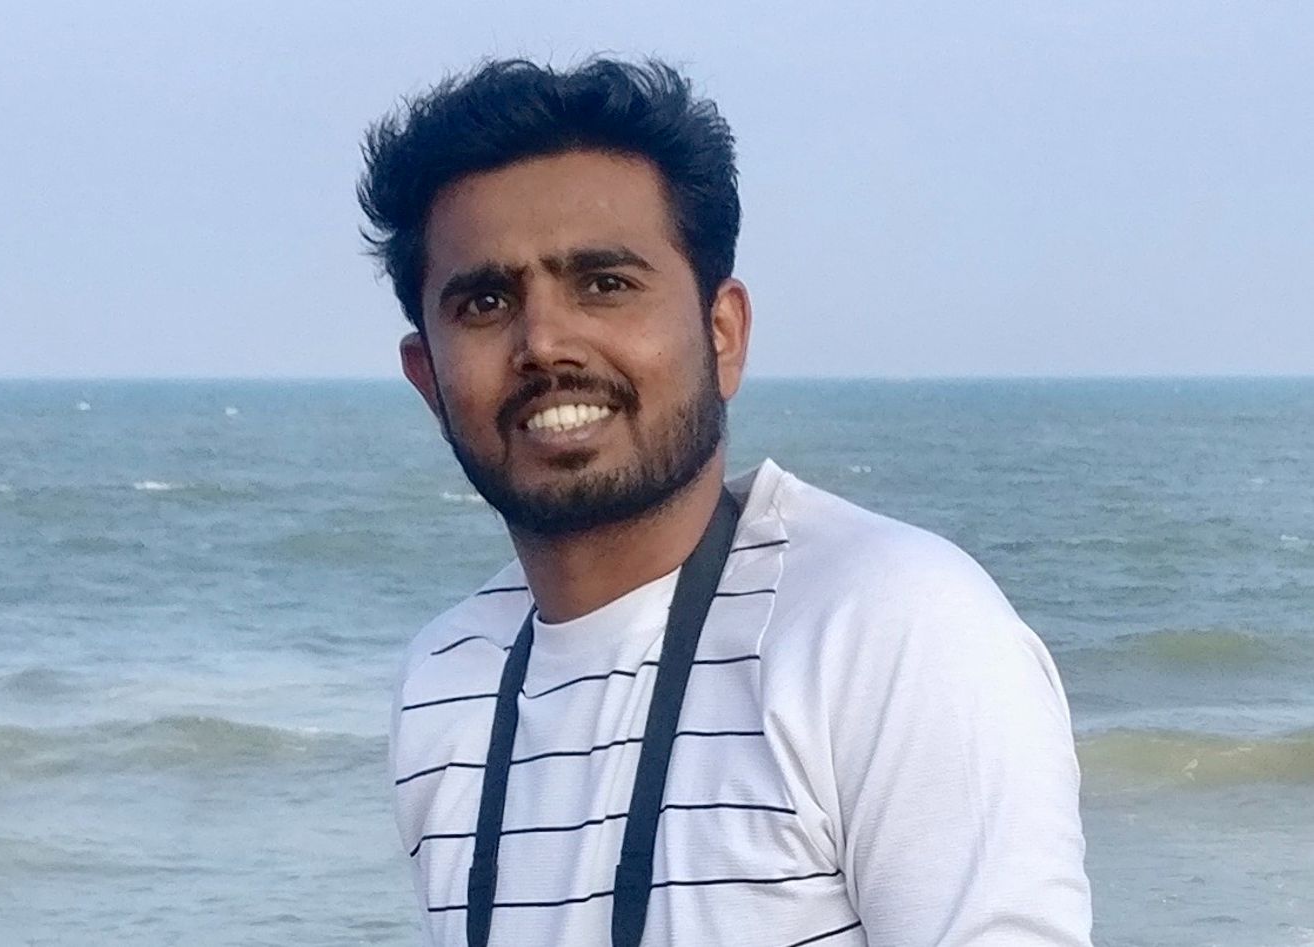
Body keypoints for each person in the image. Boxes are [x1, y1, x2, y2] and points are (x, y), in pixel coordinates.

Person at [359, 58, 1092, 946]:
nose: (544, 341)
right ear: (427, 377)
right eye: (485, 301)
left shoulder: (889, 628)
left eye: (605, 284)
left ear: (724, 332)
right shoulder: (445, 679)